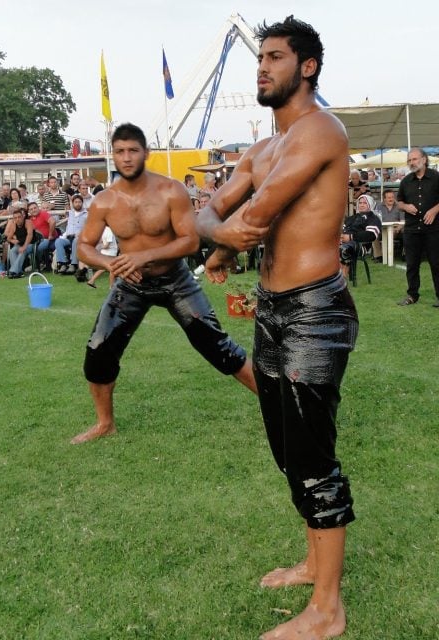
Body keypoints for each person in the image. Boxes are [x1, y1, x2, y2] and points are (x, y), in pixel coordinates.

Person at [196, 16, 358, 640]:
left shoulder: (322, 130)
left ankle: (328, 611)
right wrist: (217, 235)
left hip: (315, 310)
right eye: (258, 58)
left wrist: (220, 239)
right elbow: (210, 214)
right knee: (288, 450)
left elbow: (247, 219)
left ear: (307, 66)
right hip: (271, 308)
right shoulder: (260, 150)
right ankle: (315, 563)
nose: (261, 67)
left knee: (313, 456)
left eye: (274, 57)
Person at [70, 122, 256, 445]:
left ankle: (279, 407)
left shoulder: (171, 190)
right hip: (131, 285)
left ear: (146, 153)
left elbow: (191, 242)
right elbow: (83, 246)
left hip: (175, 280)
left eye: (133, 150)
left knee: (218, 347)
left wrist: (143, 257)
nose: (126, 158)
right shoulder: (104, 201)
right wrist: (109, 263)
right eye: (120, 151)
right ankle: (105, 424)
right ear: (112, 155)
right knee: (98, 352)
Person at [396, 147, 439, 307]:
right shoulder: (406, 181)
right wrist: (406, 207)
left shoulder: (436, 177)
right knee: (412, 264)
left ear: (424, 159)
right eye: (409, 160)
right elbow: (399, 202)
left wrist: (435, 210)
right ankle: (412, 295)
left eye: (414, 159)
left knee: (436, 264)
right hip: (412, 230)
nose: (411, 162)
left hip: (434, 229)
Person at [339, 194, 382, 277]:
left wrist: (351, 237)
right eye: (360, 203)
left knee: (343, 250)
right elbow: (342, 231)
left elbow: (371, 235)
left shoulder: (373, 218)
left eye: (365, 203)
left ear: (370, 204)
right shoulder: (351, 218)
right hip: (343, 242)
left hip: (361, 246)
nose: (361, 205)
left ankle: (343, 277)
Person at [54, 194, 88, 274]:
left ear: (82, 203)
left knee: (76, 240)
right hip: (68, 237)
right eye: (76, 202)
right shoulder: (70, 213)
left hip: (80, 237)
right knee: (58, 241)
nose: (78, 203)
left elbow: (89, 228)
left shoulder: (86, 214)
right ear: (72, 204)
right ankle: (63, 263)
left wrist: (81, 234)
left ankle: (73, 264)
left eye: (79, 202)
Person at [5, 207, 38, 278]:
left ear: (23, 216)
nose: (17, 219)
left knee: (22, 251)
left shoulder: (28, 222)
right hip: (20, 244)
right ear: (13, 219)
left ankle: (13, 271)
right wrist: (13, 240)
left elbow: (30, 235)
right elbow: (8, 238)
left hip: (30, 244)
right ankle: (18, 272)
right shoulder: (14, 225)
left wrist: (24, 246)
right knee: (12, 251)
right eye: (15, 218)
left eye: (19, 217)